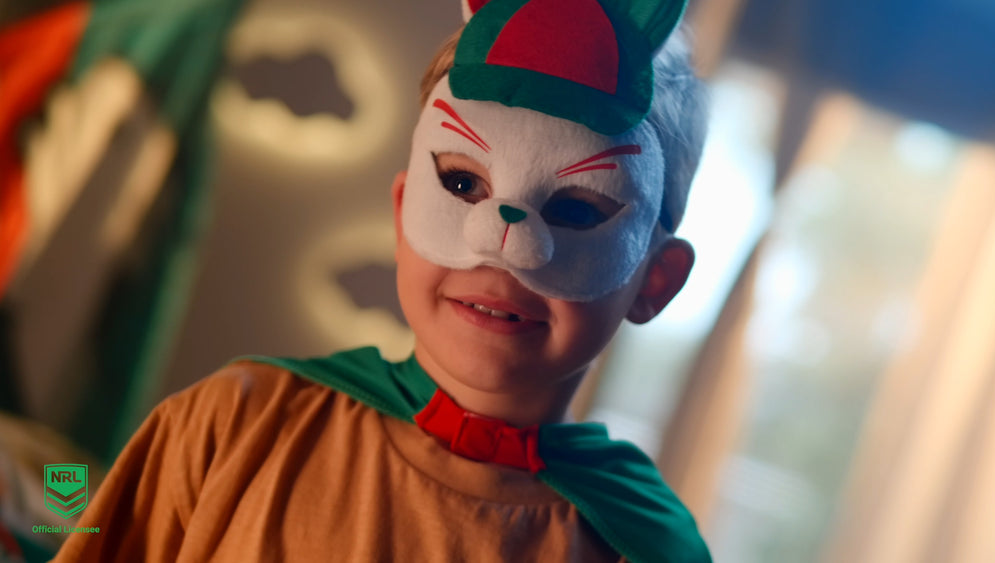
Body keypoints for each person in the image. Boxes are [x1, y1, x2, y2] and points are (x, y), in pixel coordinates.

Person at [55, 0, 711, 560]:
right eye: (461, 182)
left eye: (575, 210)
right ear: (402, 216)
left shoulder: (638, 544)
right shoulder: (231, 425)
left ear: (655, 280)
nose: (502, 246)